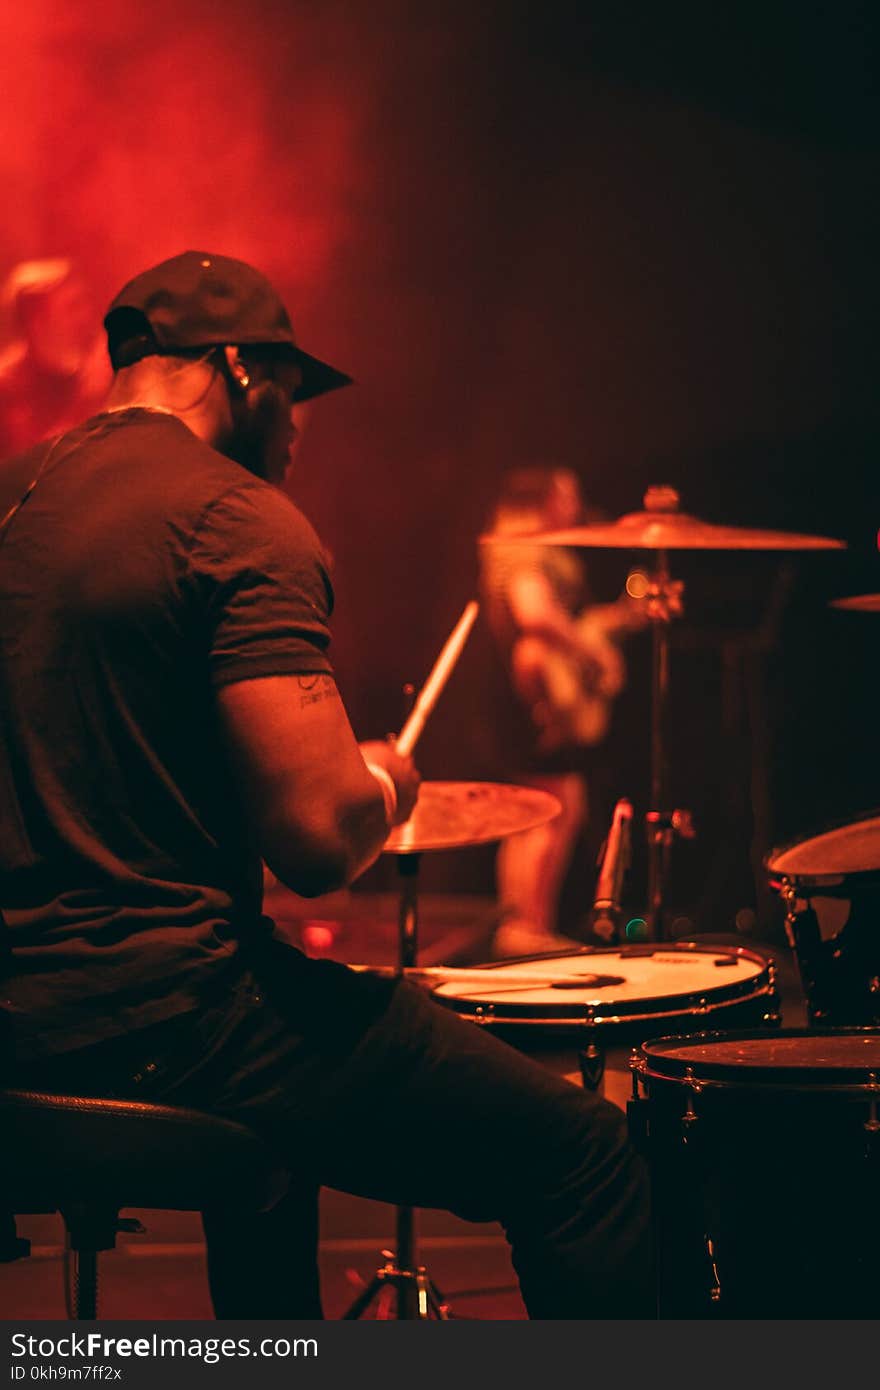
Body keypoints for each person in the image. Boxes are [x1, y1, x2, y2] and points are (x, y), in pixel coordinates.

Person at [0, 251, 652, 1319]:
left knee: (276, 1157)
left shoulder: (11, 497)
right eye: (294, 392)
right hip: (174, 1019)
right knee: (584, 1154)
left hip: (19, 1020)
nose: (300, 427)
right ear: (234, 369)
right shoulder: (234, 519)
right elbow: (313, 842)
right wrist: (383, 782)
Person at [478, 467, 646, 958]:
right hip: (533, 696)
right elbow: (536, 615)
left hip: (529, 693)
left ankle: (526, 927)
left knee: (549, 809)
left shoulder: (520, 546)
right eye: (568, 494)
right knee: (548, 811)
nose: (575, 504)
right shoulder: (522, 549)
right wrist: (594, 656)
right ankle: (523, 930)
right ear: (546, 497)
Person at [0, 257, 112, 458]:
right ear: (37, 321)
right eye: (73, 307)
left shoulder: (80, 376)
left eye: (85, 303)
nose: (86, 315)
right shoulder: (8, 391)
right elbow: (31, 470)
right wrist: (86, 401)